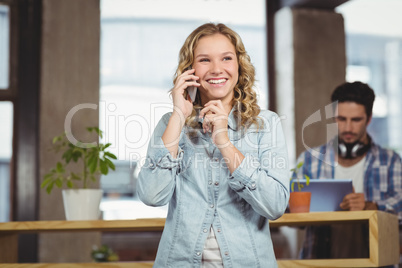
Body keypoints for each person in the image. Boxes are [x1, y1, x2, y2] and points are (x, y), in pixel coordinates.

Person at [137, 23, 289, 267]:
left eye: (226, 58)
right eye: (205, 60)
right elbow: (152, 195)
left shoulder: (266, 124)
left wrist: (225, 143)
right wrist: (178, 114)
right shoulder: (170, 123)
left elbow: (275, 206)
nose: (217, 69)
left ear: (238, 65)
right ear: (190, 69)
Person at [294, 81, 402, 259]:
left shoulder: (391, 161)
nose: (348, 128)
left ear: (369, 119)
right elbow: (292, 218)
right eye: (341, 119)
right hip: (320, 263)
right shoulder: (309, 160)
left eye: (356, 120)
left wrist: (371, 207)